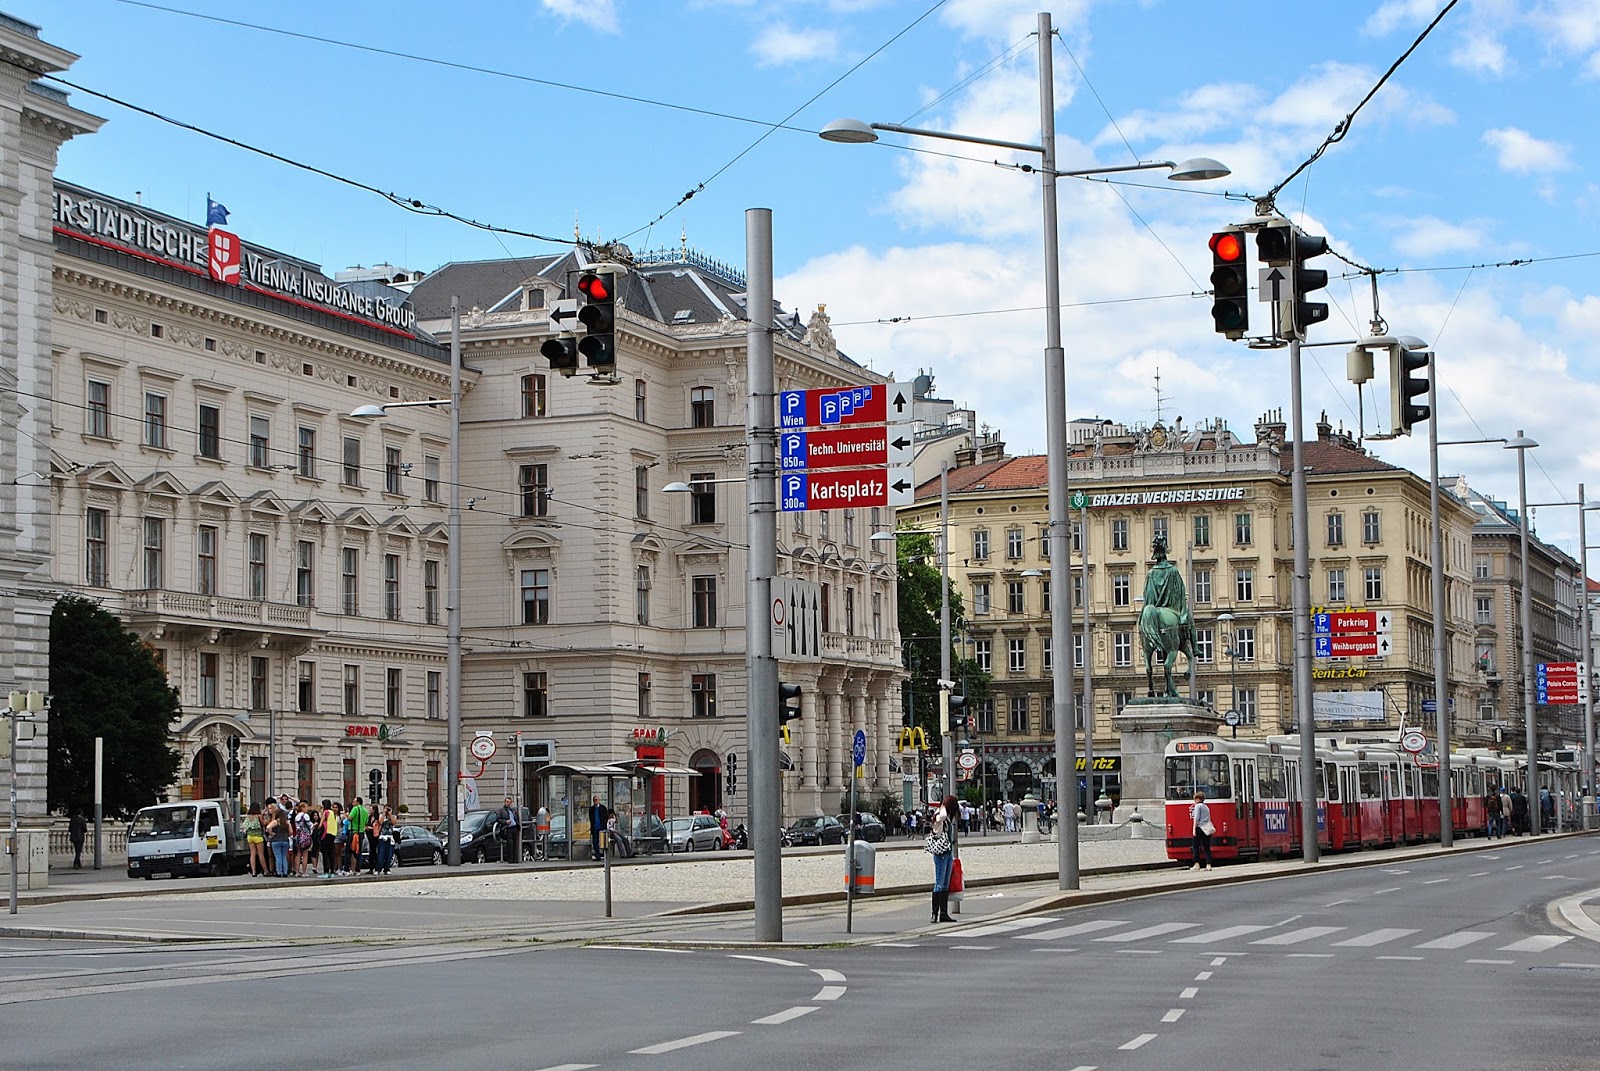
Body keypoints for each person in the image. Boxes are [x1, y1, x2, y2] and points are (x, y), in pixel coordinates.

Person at [928, 795, 958, 922]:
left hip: (947, 852)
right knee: (939, 884)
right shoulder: (940, 817)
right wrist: (943, 806)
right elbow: (943, 815)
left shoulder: (946, 820)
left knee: (945, 884)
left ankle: (943, 913)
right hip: (940, 853)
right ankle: (935, 913)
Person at [1189, 790, 1213, 870]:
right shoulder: (1206, 807)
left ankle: (1197, 864)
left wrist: (1194, 829)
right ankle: (1208, 864)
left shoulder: (1197, 806)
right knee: (1206, 847)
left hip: (1199, 828)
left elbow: (1196, 818)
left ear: (1197, 799)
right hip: (1206, 829)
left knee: (1196, 846)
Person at [346, 797, 369, 874]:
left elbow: (350, 818)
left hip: (353, 832)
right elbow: (366, 822)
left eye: (354, 802)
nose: (353, 803)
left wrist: (347, 814)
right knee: (358, 852)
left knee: (349, 851)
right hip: (361, 833)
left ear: (358, 802)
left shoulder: (355, 809)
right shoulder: (365, 811)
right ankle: (357, 870)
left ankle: (347, 870)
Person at [243, 804, 267, 876]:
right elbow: (264, 824)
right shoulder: (258, 816)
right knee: (260, 854)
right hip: (258, 836)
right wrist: (263, 817)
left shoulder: (248, 817)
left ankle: (253, 871)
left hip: (250, 836)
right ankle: (265, 870)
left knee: (252, 854)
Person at [496, 797, 519, 863]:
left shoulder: (512, 810)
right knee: (510, 844)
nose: (508, 804)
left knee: (515, 844)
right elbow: (498, 819)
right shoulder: (501, 811)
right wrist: (505, 822)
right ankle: (510, 859)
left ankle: (515, 859)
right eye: (507, 802)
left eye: (510, 802)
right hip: (507, 828)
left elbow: (516, 818)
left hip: (514, 828)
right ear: (505, 802)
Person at [589, 795, 609, 861]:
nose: (595, 801)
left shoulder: (603, 808)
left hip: (602, 828)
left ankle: (605, 855)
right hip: (595, 828)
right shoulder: (591, 809)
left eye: (596, 800)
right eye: (594, 800)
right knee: (595, 842)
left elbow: (606, 817)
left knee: (603, 842)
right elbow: (591, 819)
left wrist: (604, 825)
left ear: (599, 800)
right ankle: (598, 856)